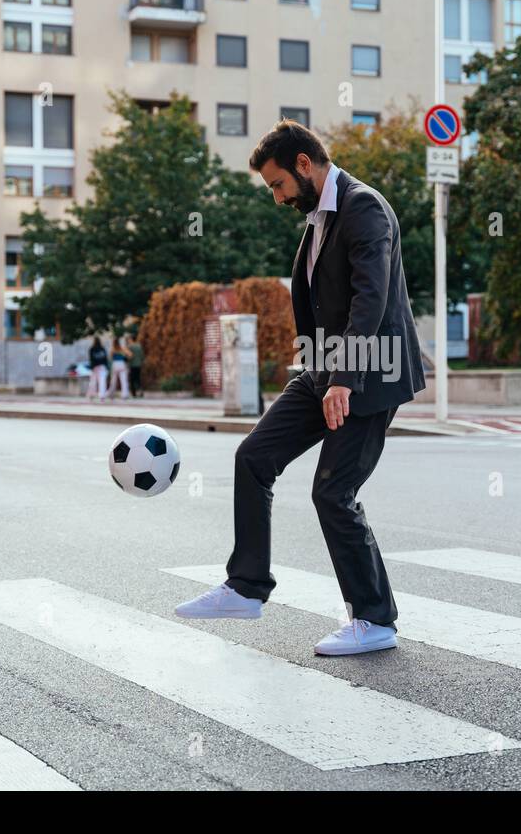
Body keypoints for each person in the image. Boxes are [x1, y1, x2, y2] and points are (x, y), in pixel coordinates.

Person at [174, 120, 426, 656]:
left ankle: (375, 619)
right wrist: (318, 373)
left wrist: (344, 379)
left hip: (369, 377)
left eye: (278, 184)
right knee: (254, 457)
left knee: (333, 492)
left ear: (304, 165)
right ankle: (246, 587)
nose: (276, 196)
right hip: (323, 372)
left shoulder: (364, 208)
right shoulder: (320, 218)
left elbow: (370, 298)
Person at [127, 331, 145, 398]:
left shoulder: (130, 347)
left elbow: (128, 357)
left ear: (131, 339)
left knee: (132, 380)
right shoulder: (139, 346)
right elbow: (142, 356)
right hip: (139, 365)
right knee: (138, 379)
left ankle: (134, 393)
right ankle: (140, 390)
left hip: (132, 365)